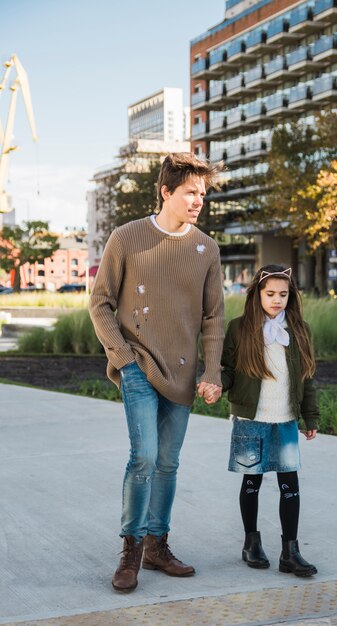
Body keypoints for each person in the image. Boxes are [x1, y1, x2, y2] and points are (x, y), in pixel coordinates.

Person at [89, 153, 224, 592]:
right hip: (138, 367)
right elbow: (100, 303)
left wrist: (213, 371)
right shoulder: (127, 238)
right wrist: (123, 360)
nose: (198, 200)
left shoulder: (206, 248)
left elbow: (213, 318)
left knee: (168, 462)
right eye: (190, 191)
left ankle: (157, 546)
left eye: (203, 193)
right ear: (166, 192)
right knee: (144, 458)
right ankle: (130, 548)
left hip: (184, 374)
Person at [221, 264, 319, 577]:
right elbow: (227, 370)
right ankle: (251, 543)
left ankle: (290, 551)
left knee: (290, 484)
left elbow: (308, 377)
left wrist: (310, 415)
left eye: (283, 294)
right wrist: (214, 384)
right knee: (252, 480)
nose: (277, 300)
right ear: (257, 294)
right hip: (251, 418)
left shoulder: (299, 330)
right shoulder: (239, 329)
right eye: (270, 293)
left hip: (286, 418)